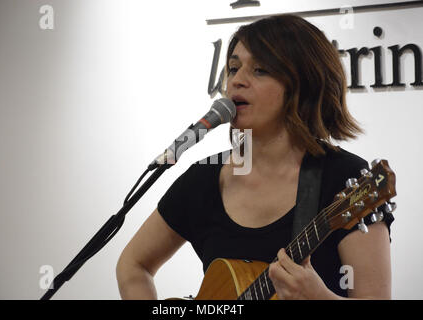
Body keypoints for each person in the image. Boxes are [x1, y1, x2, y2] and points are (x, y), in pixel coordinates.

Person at [116, 14, 394, 300]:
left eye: (260, 70)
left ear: (303, 83)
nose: (237, 81)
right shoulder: (204, 178)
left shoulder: (349, 179)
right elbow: (132, 265)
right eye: (234, 68)